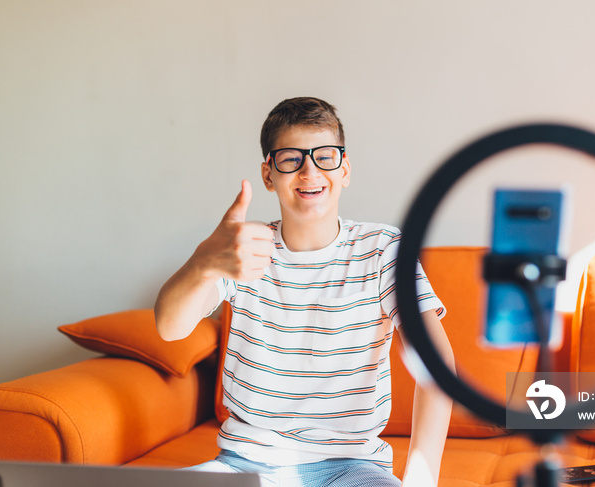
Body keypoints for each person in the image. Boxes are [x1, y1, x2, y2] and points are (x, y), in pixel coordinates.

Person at [155, 97, 455, 487]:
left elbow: (436, 361)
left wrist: (421, 479)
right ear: (269, 174)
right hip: (243, 464)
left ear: (344, 169)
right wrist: (203, 263)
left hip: (352, 468)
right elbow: (169, 328)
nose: (309, 171)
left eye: (324, 156)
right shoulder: (243, 250)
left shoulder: (384, 250)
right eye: (291, 159)